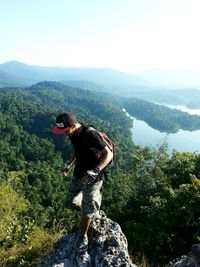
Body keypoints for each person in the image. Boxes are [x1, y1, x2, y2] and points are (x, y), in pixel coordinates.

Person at [52, 112, 113, 252]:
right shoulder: (73, 133)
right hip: (79, 174)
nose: (64, 133)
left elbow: (108, 154)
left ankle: (83, 235)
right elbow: (76, 150)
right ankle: (90, 209)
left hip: (93, 178)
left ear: (73, 125)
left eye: (65, 130)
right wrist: (68, 165)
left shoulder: (90, 135)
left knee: (87, 211)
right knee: (70, 202)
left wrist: (96, 170)